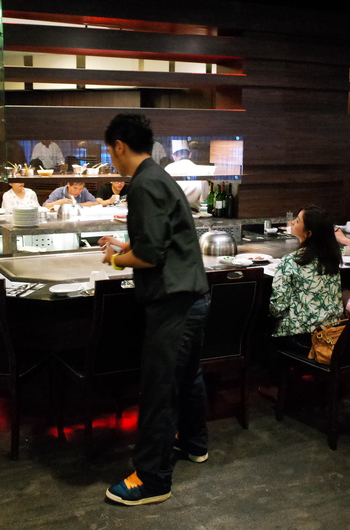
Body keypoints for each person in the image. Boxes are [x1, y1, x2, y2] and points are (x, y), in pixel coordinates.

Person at [99, 113, 209, 506]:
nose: (112, 158)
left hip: (172, 302)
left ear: (119, 146)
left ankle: (153, 479)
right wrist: (125, 246)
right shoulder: (159, 176)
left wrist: (116, 260)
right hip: (193, 297)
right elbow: (160, 238)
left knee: (159, 389)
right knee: (187, 378)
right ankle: (194, 443)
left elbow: (150, 255)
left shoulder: (143, 184)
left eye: (110, 151)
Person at [269, 205, 343, 351]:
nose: (292, 223)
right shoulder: (332, 259)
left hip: (301, 337)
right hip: (332, 334)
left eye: (297, 221)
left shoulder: (290, 261)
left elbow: (278, 307)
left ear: (308, 233)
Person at [163, 143, 211, 210]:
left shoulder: (168, 168)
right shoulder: (201, 170)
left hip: (174, 211)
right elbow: (205, 196)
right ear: (190, 155)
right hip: (194, 211)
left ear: (173, 156)